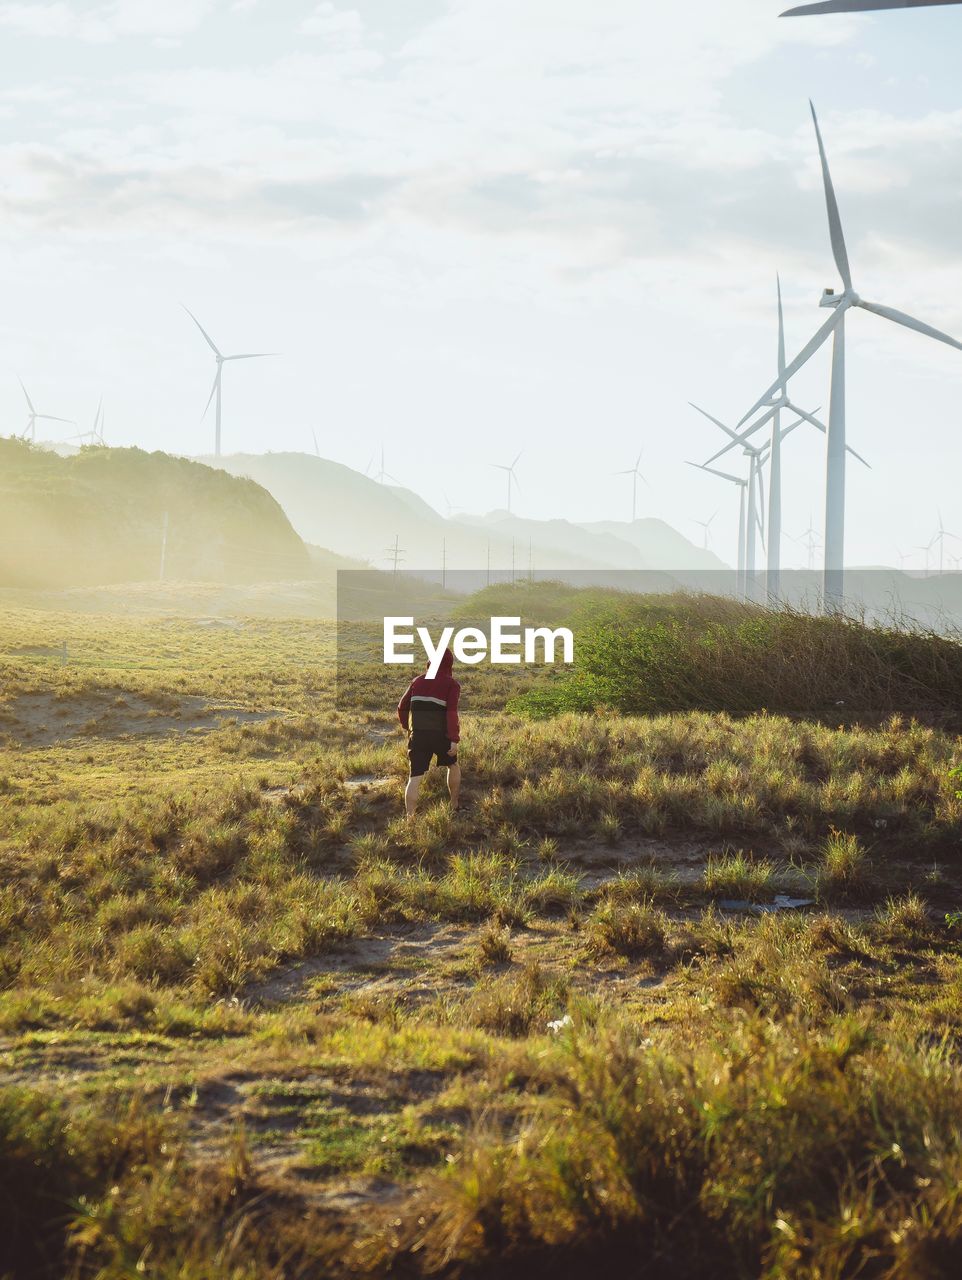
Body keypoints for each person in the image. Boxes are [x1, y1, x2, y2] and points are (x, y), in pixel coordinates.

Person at [397, 647, 461, 818]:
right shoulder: (451, 684)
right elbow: (451, 713)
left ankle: (410, 820)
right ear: (449, 664)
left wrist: (408, 728)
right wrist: (454, 739)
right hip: (441, 735)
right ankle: (454, 805)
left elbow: (402, 707)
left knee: (414, 778)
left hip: (418, 735)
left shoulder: (417, 681)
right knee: (453, 765)